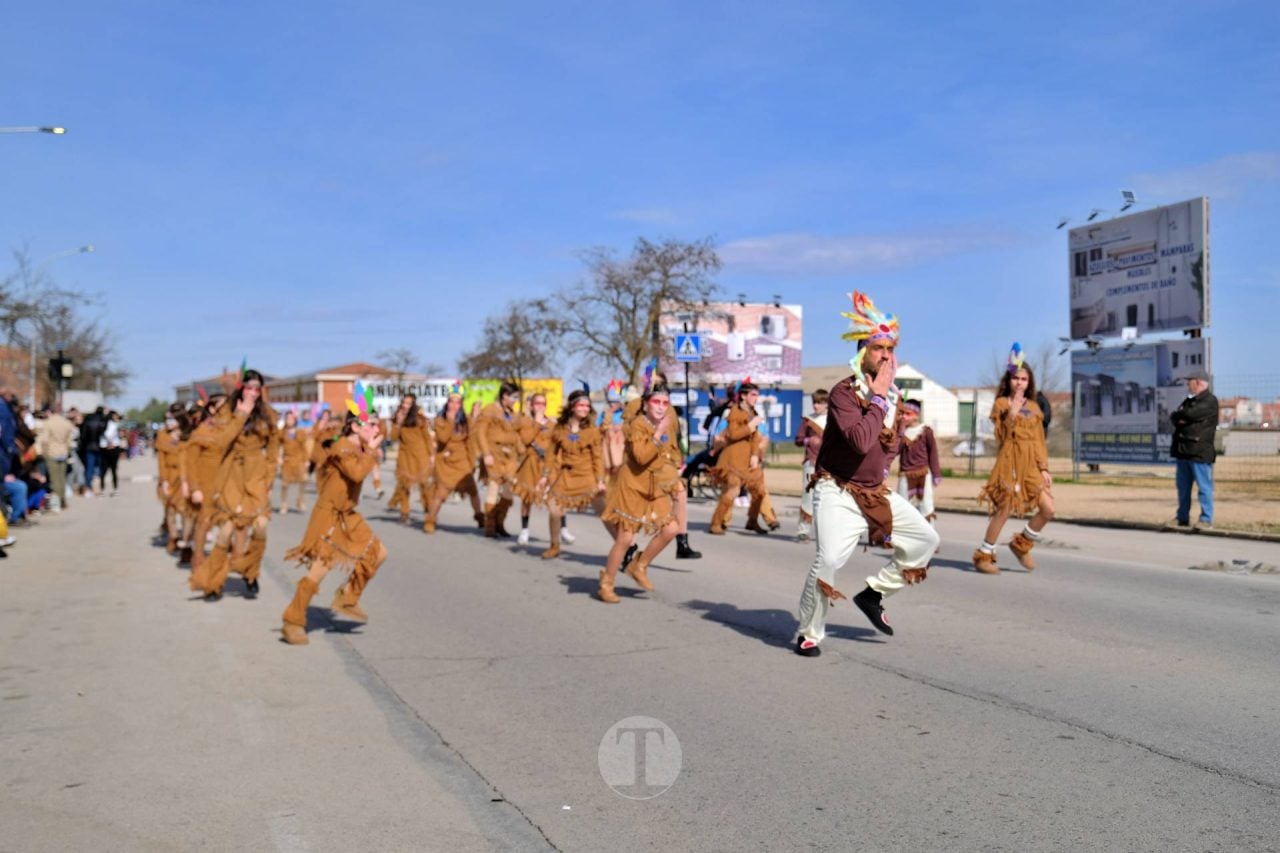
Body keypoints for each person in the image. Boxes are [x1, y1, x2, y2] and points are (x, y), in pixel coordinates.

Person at [794, 292, 940, 655]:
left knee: (926, 540)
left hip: (874, 492)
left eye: (891, 349)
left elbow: (886, 448)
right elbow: (860, 441)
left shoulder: (894, 398)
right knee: (828, 559)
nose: (886, 356)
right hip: (837, 489)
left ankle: (874, 593)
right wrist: (876, 398)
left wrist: (890, 415)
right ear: (862, 352)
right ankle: (808, 631)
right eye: (878, 349)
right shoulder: (845, 393)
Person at [280, 401, 387, 645]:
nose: (375, 428)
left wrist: (370, 447)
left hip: (348, 514)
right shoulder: (342, 447)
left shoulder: (358, 447)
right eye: (370, 424)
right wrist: (370, 451)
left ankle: (348, 597)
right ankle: (293, 620)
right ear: (355, 425)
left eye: (375, 423)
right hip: (328, 515)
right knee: (319, 570)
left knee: (378, 553)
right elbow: (357, 474)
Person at [189, 369, 279, 600]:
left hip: (256, 474)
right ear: (241, 388)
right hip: (230, 474)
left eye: (257, 389)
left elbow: (272, 451)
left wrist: (268, 480)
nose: (253, 393)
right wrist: (240, 415)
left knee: (260, 526)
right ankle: (213, 583)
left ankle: (251, 571)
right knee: (226, 532)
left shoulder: (267, 414)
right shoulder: (227, 411)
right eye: (249, 387)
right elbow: (220, 442)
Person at [597, 382, 683, 602]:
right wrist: (659, 433)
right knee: (625, 538)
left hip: (654, 486)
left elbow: (666, 451)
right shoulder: (638, 424)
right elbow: (642, 456)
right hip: (633, 487)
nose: (661, 407)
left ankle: (640, 565)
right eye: (656, 402)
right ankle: (607, 583)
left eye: (665, 402)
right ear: (645, 405)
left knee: (672, 528)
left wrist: (674, 464)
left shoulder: (664, 424)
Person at [972, 346, 1055, 574]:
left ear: (1029, 382)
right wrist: (1012, 413)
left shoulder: (1036, 408)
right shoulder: (1001, 404)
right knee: (1004, 509)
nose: (1020, 383)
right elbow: (1001, 436)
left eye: (1024, 379)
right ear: (1009, 380)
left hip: (1031, 464)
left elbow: (1039, 440)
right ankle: (984, 555)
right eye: (1016, 378)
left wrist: (1044, 468)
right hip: (1010, 460)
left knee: (1048, 508)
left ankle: (1022, 544)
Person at [538, 389, 609, 560]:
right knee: (554, 510)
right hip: (566, 477)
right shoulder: (559, 429)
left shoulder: (592, 430)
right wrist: (544, 476)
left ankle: (625, 547)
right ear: (572, 406)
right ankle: (554, 545)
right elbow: (550, 455)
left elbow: (598, 458)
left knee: (605, 514)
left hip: (588, 478)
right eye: (581, 405)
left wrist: (600, 481)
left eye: (587, 405)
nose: (585, 408)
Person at [709, 382, 778, 535]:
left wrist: (754, 455)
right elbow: (733, 435)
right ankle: (716, 522)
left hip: (748, 459)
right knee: (732, 491)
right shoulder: (735, 411)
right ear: (743, 396)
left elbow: (754, 437)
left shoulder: (752, 412)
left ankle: (752, 521)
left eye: (757, 395)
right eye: (753, 395)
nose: (756, 398)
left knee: (759, 491)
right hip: (733, 458)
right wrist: (751, 426)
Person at [425, 385, 485, 533]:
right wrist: (450, 420)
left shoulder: (465, 421)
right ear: (447, 403)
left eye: (457, 402)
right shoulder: (440, 420)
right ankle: (430, 520)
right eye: (451, 401)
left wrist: (475, 415)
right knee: (440, 493)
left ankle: (480, 517)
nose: (454, 405)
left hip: (462, 461)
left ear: (461, 404)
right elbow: (443, 438)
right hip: (446, 462)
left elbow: (471, 437)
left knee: (473, 490)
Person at [1169, 368, 1218, 530]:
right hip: (1183, 451)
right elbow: (1175, 416)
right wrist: (1181, 417)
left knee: (1204, 488)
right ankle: (1182, 517)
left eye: (1189, 381)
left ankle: (1206, 519)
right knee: (1183, 488)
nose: (1187, 385)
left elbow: (1191, 415)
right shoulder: (1189, 401)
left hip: (1199, 452)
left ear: (1198, 382)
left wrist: (1183, 417)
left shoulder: (1210, 401)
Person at [475, 381, 524, 538]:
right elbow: (480, 432)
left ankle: (499, 522)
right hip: (493, 453)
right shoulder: (490, 409)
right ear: (505, 396)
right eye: (514, 397)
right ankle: (489, 526)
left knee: (509, 490)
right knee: (493, 488)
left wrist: (523, 451)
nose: (516, 400)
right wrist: (486, 454)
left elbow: (516, 435)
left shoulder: (513, 414)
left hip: (510, 456)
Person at [387, 394, 433, 525]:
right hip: (404, 455)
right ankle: (404, 512)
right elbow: (394, 438)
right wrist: (398, 423)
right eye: (404, 403)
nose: (405, 406)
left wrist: (431, 454)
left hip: (420, 455)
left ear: (413, 405)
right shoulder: (397, 418)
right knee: (404, 485)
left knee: (424, 484)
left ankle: (428, 509)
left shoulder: (420, 419)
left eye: (408, 403)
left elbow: (427, 438)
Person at [895, 399, 941, 526]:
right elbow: (895, 451)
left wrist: (936, 474)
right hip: (905, 474)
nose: (904, 416)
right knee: (903, 504)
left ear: (916, 415)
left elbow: (933, 453)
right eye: (902, 413)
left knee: (926, 505)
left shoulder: (926, 431)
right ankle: (905, 534)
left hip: (924, 473)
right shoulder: (901, 433)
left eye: (908, 414)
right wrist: (900, 433)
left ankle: (929, 535)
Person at [514, 392, 552, 546]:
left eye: (543, 404)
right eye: (537, 403)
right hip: (530, 463)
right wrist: (536, 422)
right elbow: (526, 439)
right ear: (531, 405)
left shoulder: (552, 424)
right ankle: (524, 530)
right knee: (527, 497)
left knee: (554, 498)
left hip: (546, 464)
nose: (540, 407)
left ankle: (562, 528)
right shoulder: (526, 422)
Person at [794, 389, 828, 542]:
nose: (816, 406)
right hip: (811, 463)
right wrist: (808, 441)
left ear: (826, 404)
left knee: (827, 498)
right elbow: (798, 439)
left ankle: (826, 532)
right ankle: (803, 530)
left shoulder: (834, 420)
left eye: (820, 403)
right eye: (814, 402)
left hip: (829, 465)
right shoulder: (808, 420)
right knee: (808, 496)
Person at [34, 403, 74, 512]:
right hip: (63, 452)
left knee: (54, 479)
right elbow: (69, 440)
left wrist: (42, 451)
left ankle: (57, 503)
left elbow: (45, 439)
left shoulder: (48, 423)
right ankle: (62, 500)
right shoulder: (66, 423)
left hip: (52, 453)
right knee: (62, 478)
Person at [278, 409, 309, 513]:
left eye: (291, 418)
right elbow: (278, 445)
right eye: (287, 418)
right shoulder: (282, 432)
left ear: (295, 420)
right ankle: (284, 504)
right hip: (287, 460)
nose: (289, 420)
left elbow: (304, 447)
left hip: (299, 460)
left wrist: (306, 460)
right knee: (285, 484)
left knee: (303, 480)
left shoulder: (300, 432)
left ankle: (300, 501)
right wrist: (279, 457)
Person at [98, 410, 124, 496]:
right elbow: (109, 435)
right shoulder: (112, 424)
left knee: (104, 470)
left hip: (105, 448)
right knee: (112, 470)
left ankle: (102, 489)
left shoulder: (102, 424)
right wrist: (110, 443)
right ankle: (114, 489)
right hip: (111, 448)